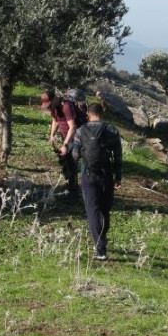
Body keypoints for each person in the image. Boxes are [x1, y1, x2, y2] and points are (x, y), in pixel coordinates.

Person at [71, 102, 123, 261]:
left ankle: (100, 250)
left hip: (88, 174)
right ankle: (102, 240)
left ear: (88, 114)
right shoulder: (112, 130)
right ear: (102, 113)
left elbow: (75, 155)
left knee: (93, 210)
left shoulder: (80, 131)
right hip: (106, 175)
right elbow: (118, 156)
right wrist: (118, 176)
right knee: (104, 209)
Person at [41, 88, 80, 196]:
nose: (48, 107)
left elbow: (73, 127)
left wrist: (65, 145)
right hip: (65, 137)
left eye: (48, 104)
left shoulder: (66, 106)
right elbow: (55, 120)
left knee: (72, 162)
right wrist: (52, 134)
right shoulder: (54, 108)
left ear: (54, 99)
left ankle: (73, 192)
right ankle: (69, 186)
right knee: (64, 161)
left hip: (74, 138)